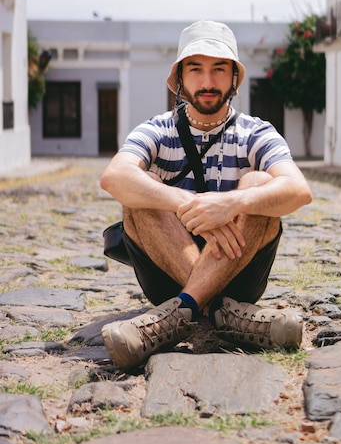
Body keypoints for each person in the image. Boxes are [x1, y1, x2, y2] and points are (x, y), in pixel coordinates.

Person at [100, 20, 312, 370]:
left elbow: (298, 190)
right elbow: (115, 177)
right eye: (196, 69)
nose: (208, 82)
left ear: (233, 78)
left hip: (240, 274)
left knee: (260, 185)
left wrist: (232, 203)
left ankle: (179, 313)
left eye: (219, 69)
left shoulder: (256, 132)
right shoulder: (157, 129)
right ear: (180, 78)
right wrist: (190, 205)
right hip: (166, 273)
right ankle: (221, 314)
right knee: (141, 187)